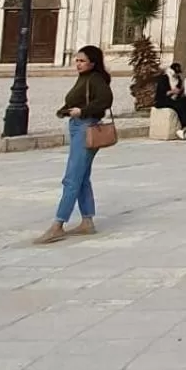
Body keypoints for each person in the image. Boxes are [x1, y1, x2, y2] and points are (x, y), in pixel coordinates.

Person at [33, 46, 114, 244]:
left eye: (82, 61)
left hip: (86, 128)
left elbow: (105, 100)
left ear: (92, 63)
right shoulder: (83, 78)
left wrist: (83, 111)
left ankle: (58, 224)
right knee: (82, 176)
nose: (77, 64)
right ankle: (87, 221)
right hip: (77, 126)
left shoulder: (95, 79)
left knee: (71, 178)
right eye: (76, 60)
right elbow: (76, 100)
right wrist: (65, 110)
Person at [154, 62, 186, 140]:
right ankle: (184, 127)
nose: (176, 75)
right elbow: (162, 93)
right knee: (179, 106)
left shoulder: (178, 79)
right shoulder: (164, 78)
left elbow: (179, 92)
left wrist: (180, 92)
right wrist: (172, 91)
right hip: (163, 100)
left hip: (174, 98)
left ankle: (184, 129)